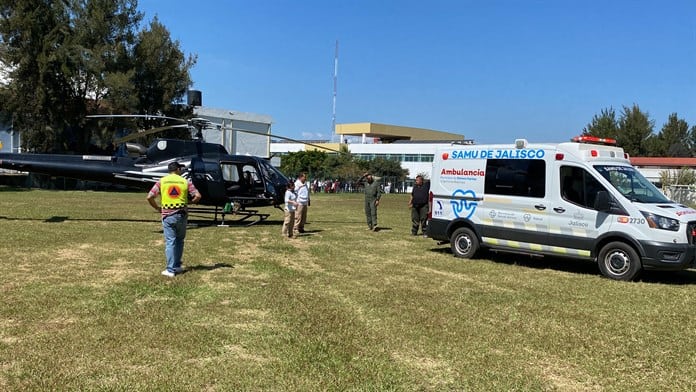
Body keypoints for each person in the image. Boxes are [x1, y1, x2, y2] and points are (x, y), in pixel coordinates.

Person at [146, 162, 202, 278]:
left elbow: (150, 196)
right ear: (177, 169)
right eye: (180, 168)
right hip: (182, 215)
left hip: (168, 215)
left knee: (170, 241)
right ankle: (177, 265)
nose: (181, 170)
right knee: (180, 240)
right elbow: (198, 196)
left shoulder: (162, 181)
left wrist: (157, 208)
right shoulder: (185, 181)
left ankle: (170, 270)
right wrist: (189, 202)